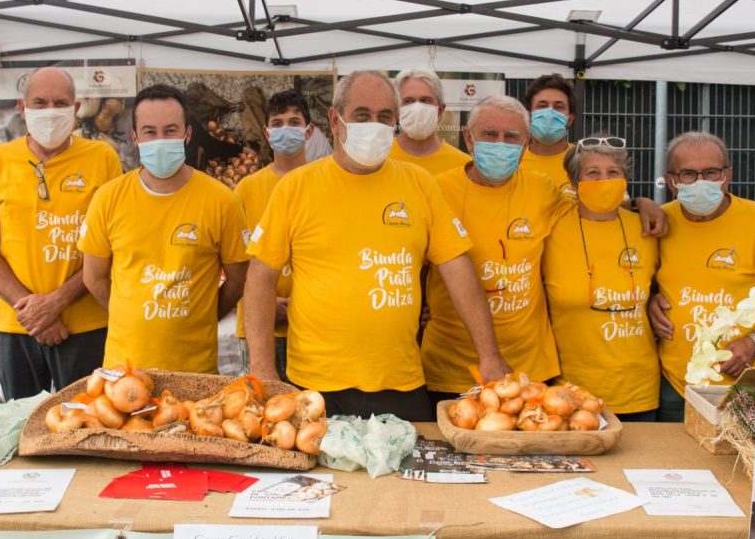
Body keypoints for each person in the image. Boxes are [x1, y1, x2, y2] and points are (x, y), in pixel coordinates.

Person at [243, 70, 511, 421]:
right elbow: (260, 278)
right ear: (335, 120)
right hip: (315, 387)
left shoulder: (419, 184)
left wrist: (489, 355)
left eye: (385, 116)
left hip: (401, 383)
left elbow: (457, 267)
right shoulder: (296, 187)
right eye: (362, 115)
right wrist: (263, 368)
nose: (374, 124)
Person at [0, 67, 122, 399]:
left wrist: (56, 303)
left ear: (76, 108)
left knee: (84, 424)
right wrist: (33, 311)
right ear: (23, 109)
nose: (50, 110)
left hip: (85, 322)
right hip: (15, 323)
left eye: (60, 102)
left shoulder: (102, 158)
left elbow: (111, 246)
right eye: (39, 102)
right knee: (20, 429)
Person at [78, 83, 249, 373]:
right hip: (125, 372)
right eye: (149, 131)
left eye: (170, 131)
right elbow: (94, 279)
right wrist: (129, 316)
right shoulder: (108, 199)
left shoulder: (222, 201)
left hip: (194, 371)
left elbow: (237, 280)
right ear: (134, 137)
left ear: (187, 134)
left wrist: (202, 316)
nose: (160, 139)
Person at [647, 131, 755, 422]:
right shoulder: (661, 221)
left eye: (711, 172)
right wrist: (649, 301)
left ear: (728, 175)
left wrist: (754, 343)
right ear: (671, 180)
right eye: (687, 174)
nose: (701, 182)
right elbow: (641, 283)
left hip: (744, 385)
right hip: (675, 384)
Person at [420, 96, 569, 401]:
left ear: (526, 145)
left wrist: (641, 204)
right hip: (449, 370)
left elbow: (592, 217)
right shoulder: (436, 189)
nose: (500, 144)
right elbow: (414, 262)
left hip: (530, 370)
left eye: (511, 137)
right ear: (468, 139)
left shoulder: (543, 189)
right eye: (489, 134)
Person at [544, 135, 661, 421]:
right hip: (570, 393)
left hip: (639, 391)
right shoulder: (551, 227)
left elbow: (664, 285)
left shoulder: (648, 229)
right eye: (592, 173)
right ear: (574, 183)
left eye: (613, 173)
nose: (603, 180)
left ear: (625, 180)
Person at [232, 89, 315, 378]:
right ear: (267, 133)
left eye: (294, 122)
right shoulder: (247, 189)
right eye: (278, 123)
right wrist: (264, 302)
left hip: (312, 325)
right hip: (258, 328)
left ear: (309, 131)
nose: (286, 129)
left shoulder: (321, 184)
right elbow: (237, 262)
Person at [387, 68, 471, 175]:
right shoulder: (379, 159)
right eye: (408, 101)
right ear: (397, 111)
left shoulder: (464, 166)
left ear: (440, 109)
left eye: (425, 100)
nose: (417, 107)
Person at [519, 73, 576, 190]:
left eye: (558, 107)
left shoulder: (584, 161)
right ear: (528, 116)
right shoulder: (513, 161)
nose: (549, 113)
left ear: (570, 119)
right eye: (542, 106)